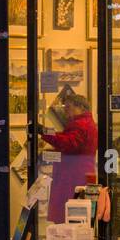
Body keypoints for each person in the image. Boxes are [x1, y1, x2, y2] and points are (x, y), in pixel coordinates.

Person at [40, 90, 97, 225]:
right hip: (79, 173)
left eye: (68, 107)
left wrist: (43, 132)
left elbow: (68, 143)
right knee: (77, 217)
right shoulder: (87, 123)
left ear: (80, 107)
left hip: (72, 176)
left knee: (67, 217)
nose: (66, 111)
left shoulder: (80, 124)